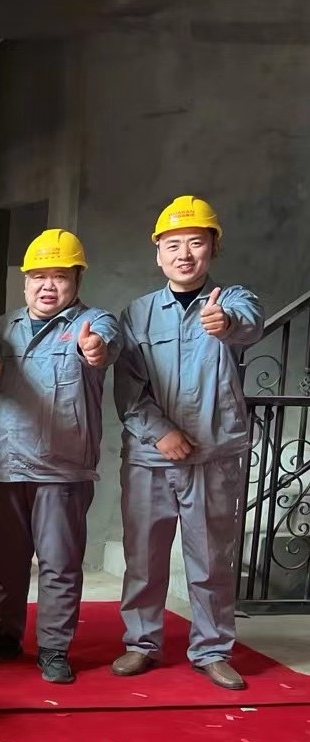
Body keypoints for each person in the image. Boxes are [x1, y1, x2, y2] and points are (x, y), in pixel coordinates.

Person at [112, 196, 263, 691]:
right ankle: (141, 643)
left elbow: (248, 322)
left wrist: (226, 324)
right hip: (150, 456)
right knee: (144, 557)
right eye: (173, 244)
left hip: (212, 455)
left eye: (196, 243)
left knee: (211, 559)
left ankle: (213, 649)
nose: (184, 254)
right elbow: (128, 388)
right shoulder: (137, 314)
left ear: (213, 248)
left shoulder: (231, 300)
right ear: (158, 253)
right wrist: (162, 432)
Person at [0, 229, 120, 684]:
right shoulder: (2, 327)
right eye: (38, 276)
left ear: (77, 281)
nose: (48, 286)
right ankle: (3, 633)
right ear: (25, 281)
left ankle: (53, 647)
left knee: (59, 563)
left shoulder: (95, 322)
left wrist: (95, 350)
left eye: (60, 276)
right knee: (4, 559)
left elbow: (105, 346)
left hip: (62, 468)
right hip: (6, 462)